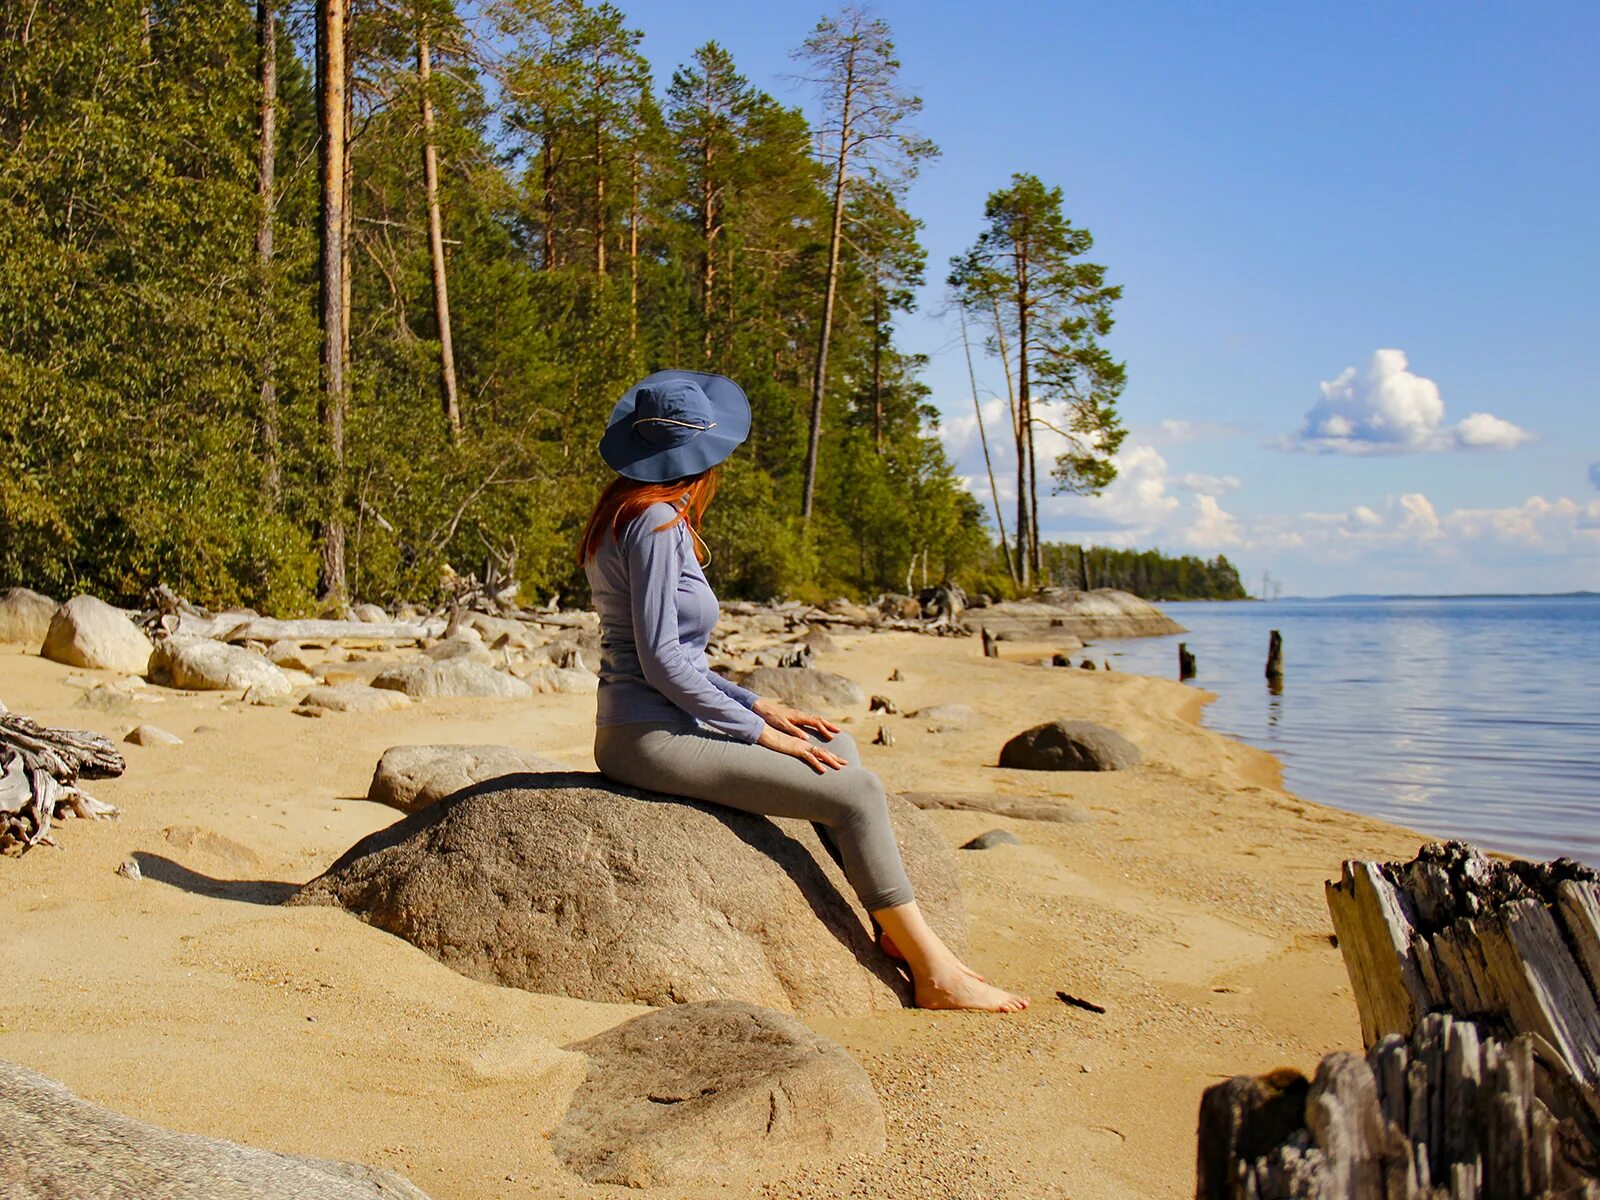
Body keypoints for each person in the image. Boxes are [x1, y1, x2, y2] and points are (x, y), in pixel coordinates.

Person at [580, 369, 1029, 1013]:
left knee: (834, 739)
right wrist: (760, 735)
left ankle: (891, 926)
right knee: (855, 790)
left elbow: (677, 660)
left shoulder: (631, 512)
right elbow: (660, 664)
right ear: (702, 460)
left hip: (663, 719)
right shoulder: (652, 524)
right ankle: (933, 973)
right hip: (645, 736)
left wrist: (763, 704)